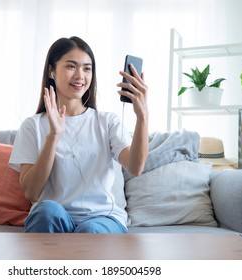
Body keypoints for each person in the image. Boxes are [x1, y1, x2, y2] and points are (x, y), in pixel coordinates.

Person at [9, 36, 148, 233]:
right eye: (71, 66)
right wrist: (53, 136)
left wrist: (142, 116)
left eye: (87, 68)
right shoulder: (32, 126)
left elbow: (135, 167)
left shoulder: (107, 121)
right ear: (51, 71)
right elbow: (31, 191)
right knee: (45, 211)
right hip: (55, 218)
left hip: (103, 218)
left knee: (90, 230)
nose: (80, 75)